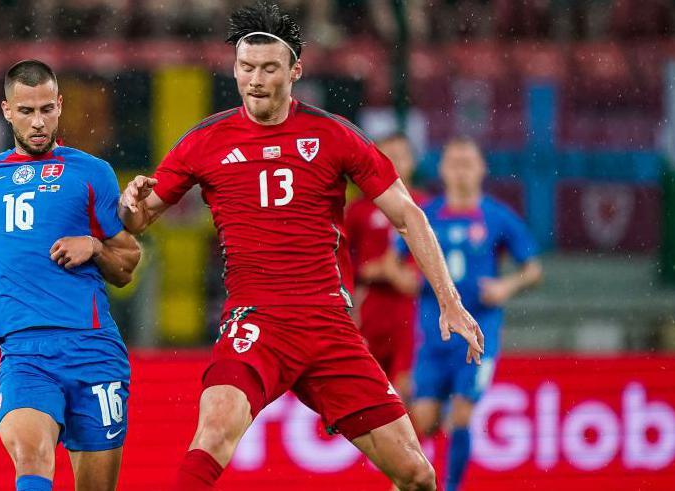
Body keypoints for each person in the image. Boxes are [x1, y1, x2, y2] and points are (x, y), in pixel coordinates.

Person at [120, 3, 483, 490]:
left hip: (328, 323)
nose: (255, 80)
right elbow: (140, 217)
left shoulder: (332, 134)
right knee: (215, 427)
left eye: (269, 68)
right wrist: (130, 206)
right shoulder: (204, 142)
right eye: (246, 68)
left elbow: (408, 214)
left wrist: (449, 299)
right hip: (256, 318)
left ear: (295, 70)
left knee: (418, 474)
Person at [0, 60, 141, 491]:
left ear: (60, 105)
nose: (39, 121)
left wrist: (96, 246)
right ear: (7, 110)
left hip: (93, 349)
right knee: (32, 456)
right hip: (25, 354)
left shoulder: (90, 172)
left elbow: (127, 261)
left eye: (47, 109)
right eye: (27, 112)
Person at [404, 137, 542, 491]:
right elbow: (395, 262)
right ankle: (421, 480)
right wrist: (405, 278)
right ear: (443, 170)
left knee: (462, 414)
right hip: (434, 336)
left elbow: (533, 269)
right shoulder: (427, 215)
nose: (462, 170)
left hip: (478, 334)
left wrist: (505, 287)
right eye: (454, 163)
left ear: (481, 169)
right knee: (425, 418)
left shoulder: (497, 216)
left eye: (468, 163)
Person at [345, 132, 428, 403]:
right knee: (370, 392)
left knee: (406, 391)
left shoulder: (425, 206)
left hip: (410, 310)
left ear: (413, 162)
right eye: (386, 156)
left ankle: (416, 445)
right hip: (370, 307)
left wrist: (411, 276)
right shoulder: (357, 210)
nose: (394, 163)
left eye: (401, 156)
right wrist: (372, 271)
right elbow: (342, 259)